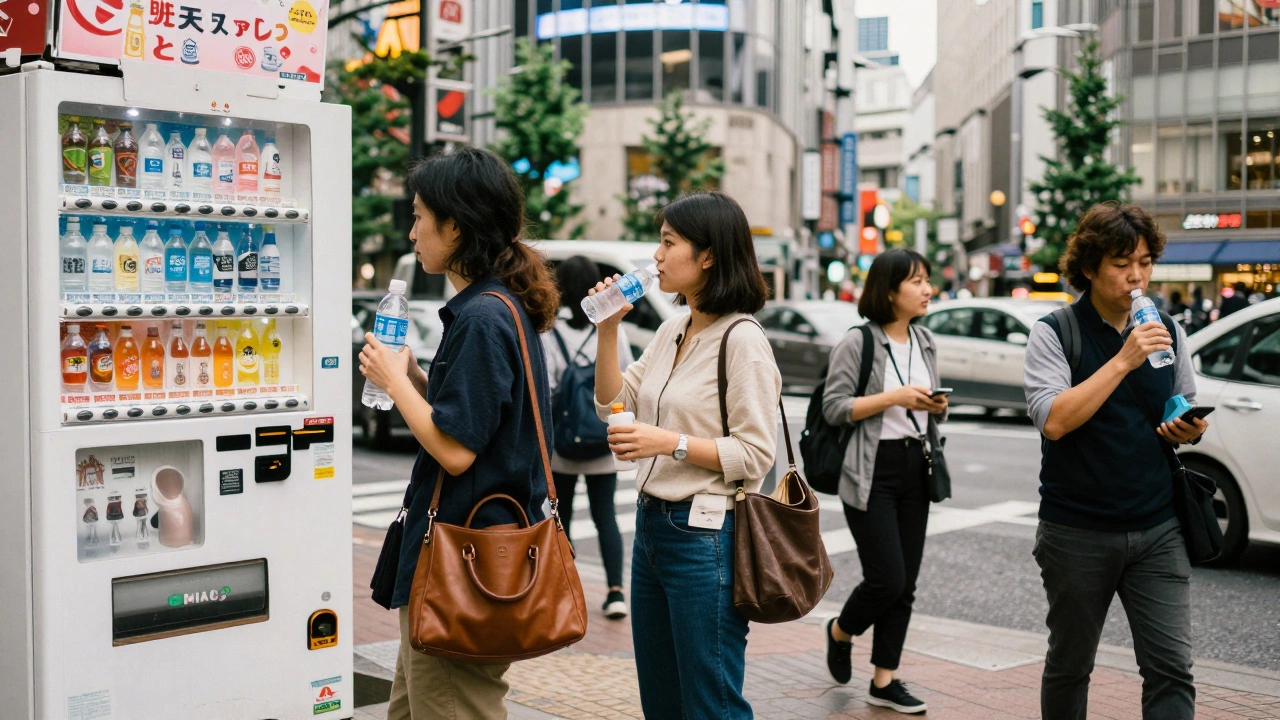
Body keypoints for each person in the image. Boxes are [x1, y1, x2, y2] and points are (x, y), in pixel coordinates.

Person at [359, 146, 560, 720]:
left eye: (421, 215)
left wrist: (394, 384)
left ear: (456, 225)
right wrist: (417, 378)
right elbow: (471, 422)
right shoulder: (496, 305)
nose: (413, 229)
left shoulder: (480, 317)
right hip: (466, 564)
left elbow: (455, 451)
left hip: (462, 570)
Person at [590, 191, 779, 719]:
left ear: (708, 255)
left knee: (711, 702)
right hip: (652, 529)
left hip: (706, 538)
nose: (656, 255)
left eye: (668, 242)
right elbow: (612, 405)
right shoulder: (675, 329)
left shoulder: (743, 339)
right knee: (662, 699)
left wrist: (666, 441)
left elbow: (756, 453)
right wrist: (609, 329)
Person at [1023, 202, 1209, 720]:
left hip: (1158, 524)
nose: (1136, 275)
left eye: (1146, 262)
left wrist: (1188, 427)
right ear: (1088, 267)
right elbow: (1054, 419)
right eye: (1122, 262)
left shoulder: (1167, 327)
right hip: (1077, 529)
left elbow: (1182, 402)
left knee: (1172, 670)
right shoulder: (1055, 331)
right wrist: (1124, 359)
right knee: (1071, 665)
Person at [820, 248, 948, 715]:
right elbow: (835, 408)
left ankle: (884, 680)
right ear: (890, 290)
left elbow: (926, 406)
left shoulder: (926, 341)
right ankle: (840, 631)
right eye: (916, 281)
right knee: (886, 578)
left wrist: (935, 407)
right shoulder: (859, 342)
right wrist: (892, 397)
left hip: (917, 465)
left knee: (906, 583)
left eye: (927, 279)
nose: (927, 288)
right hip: (870, 470)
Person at [540, 255, 634, 619]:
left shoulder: (550, 330)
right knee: (605, 515)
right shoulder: (612, 326)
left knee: (560, 515)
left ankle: (564, 587)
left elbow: (547, 386)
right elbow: (623, 376)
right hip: (601, 437)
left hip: (564, 441)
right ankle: (614, 592)